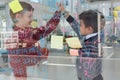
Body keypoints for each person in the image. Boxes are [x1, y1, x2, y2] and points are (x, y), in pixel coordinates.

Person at [8, 1, 61, 79]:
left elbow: (47, 29)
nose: (32, 19)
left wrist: (58, 13)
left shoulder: (29, 33)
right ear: (18, 16)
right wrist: (42, 53)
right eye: (29, 16)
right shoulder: (15, 38)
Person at [58, 4, 104, 80]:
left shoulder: (95, 43)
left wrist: (71, 51)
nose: (79, 27)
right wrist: (63, 11)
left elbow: (86, 57)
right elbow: (74, 24)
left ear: (89, 29)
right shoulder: (87, 34)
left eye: (81, 25)